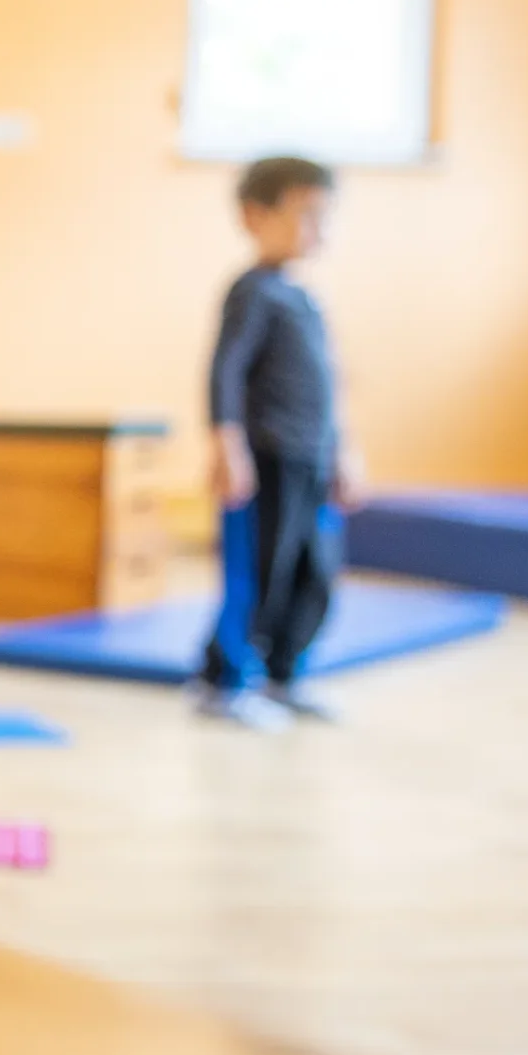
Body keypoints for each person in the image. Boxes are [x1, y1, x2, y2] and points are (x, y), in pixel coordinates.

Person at [195, 155, 365, 729]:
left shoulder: (306, 299)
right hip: (267, 459)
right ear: (254, 215)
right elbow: (225, 371)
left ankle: (285, 675)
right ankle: (226, 683)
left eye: (325, 217)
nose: (319, 230)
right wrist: (227, 443)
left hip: (312, 460)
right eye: (306, 215)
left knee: (313, 574)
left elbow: (332, 386)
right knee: (258, 576)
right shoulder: (252, 291)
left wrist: (344, 450)